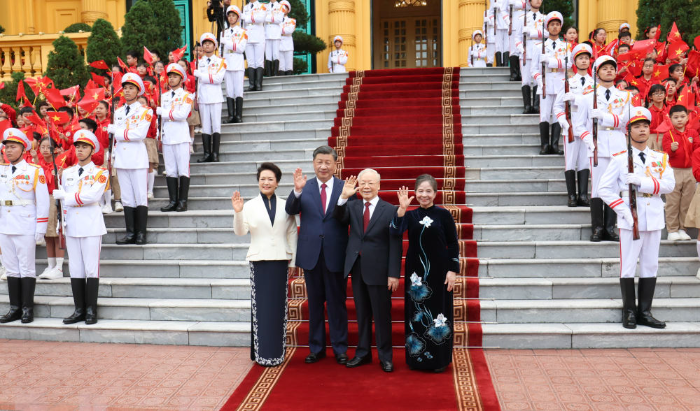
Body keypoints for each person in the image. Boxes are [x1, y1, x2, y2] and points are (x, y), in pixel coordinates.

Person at [598, 107, 673, 329]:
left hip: (654, 215)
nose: (642, 130)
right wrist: (623, 211)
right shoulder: (620, 159)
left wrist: (642, 181)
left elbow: (669, 184)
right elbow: (604, 189)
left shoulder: (659, 158)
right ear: (628, 132)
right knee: (628, 265)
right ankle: (629, 312)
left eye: (645, 126)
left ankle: (645, 312)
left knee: (650, 265)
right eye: (636, 127)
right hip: (631, 217)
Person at [286, 146, 351, 365]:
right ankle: (316, 348)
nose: (323, 166)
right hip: (311, 253)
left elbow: (347, 218)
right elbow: (290, 210)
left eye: (327, 162)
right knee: (314, 303)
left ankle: (340, 348)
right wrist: (296, 191)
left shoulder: (345, 187)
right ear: (314, 163)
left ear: (335, 164)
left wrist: (343, 199)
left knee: (337, 303)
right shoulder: (305, 186)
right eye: (319, 162)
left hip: (336, 253)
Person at [333, 169, 402, 373]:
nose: (366, 186)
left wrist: (393, 273)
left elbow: (395, 243)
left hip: (380, 271)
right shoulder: (352, 206)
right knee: (362, 315)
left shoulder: (390, 210)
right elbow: (338, 218)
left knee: (382, 316)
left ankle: (385, 357)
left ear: (379, 185)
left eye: (370, 183)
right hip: (357, 267)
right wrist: (343, 197)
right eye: (362, 183)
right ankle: (362, 353)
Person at [232, 162, 297, 367]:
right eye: (262, 179)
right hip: (259, 261)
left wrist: (293, 260)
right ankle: (261, 354)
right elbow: (240, 232)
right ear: (258, 182)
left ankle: (277, 354)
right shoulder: (249, 205)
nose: (266, 182)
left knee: (278, 308)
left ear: (277, 182)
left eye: (270, 179)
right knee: (261, 308)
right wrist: (238, 212)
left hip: (279, 261)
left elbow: (292, 232)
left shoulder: (286, 204)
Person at [391, 175, 458, 373]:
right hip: (416, 277)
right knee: (416, 315)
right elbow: (395, 232)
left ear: (435, 193)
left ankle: (439, 360)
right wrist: (402, 209)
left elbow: (453, 244)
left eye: (428, 191)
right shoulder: (410, 216)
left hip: (440, 273)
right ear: (415, 193)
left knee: (439, 315)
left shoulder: (443, 215)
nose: (424, 195)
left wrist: (453, 270)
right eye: (420, 191)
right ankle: (417, 360)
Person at [51, 130, 108, 325]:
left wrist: (65, 197)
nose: (81, 150)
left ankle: (91, 310)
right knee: (75, 268)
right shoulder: (66, 173)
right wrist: (62, 219)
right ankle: (79, 309)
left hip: (91, 225)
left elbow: (92, 197)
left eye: (85, 147)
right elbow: (64, 204)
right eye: (78, 147)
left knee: (91, 269)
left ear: (92, 150)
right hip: (72, 225)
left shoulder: (100, 173)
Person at [574, 55, 632, 242]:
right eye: (604, 68)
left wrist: (605, 117)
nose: (609, 71)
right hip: (597, 145)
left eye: (612, 68)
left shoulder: (625, 96)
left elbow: (626, 122)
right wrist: (588, 140)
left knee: (614, 186)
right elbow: (579, 125)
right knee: (598, 188)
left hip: (617, 144)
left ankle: (610, 228)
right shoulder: (587, 97)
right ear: (597, 72)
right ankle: (598, 228)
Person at [0, 128, 49, 323]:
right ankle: (15, 308)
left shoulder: (34, 171)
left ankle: (28, 308)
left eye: (13, 147)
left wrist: (41, 228)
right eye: (6, 147)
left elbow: (43, 202)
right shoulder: (1, 170)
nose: (9, 151)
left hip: (26, 223)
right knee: (11, 268)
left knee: (27, 268)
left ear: (23, 149)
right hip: (5, 224)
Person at [107, 73, 152, 246]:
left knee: (140, 195)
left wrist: (117, 132)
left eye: (131, 88)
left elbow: (139, 134)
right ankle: (130, 233)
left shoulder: (145, 111)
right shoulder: (118, 112)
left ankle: (141, 233)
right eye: (125, 88)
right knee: (127, 197)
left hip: (137, 156)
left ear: (138, 91)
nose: (127, 91)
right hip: (122, 158)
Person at [557, 43, 593, 207]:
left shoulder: (595, 84)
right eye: (581, 58)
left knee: (585, 162)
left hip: (587, 129)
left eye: (586, 58)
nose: (584, 61)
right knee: (570, 162)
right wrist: (563, 121)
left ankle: (583, 195)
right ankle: (572, 196)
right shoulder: (568, 82)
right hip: (570, 128)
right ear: (575, 62)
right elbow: (557, 106)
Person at [532, 11, 571, 155]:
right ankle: (544, 145)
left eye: (557, 24)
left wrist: (551, 61)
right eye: (552, 25)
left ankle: (555, 145)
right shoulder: (538, 46)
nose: (554, 27)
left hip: (560, 83)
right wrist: (539, 81)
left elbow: (569, 64)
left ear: (561, 27)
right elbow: (534, 69)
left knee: (557, 114)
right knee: (544, 115)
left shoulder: (566, 46)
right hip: (545, 83)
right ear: (547, 27)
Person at [157, 63, 193, 213]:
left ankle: (183, 201)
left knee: (183, 170)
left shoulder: (187, 96)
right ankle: (173, 201)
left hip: (181, 135)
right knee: (170, 170)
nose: (171, 79)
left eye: (175, 77)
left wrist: (163, 112)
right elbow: (163, 119)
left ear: (181, 78)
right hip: (167, 136)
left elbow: (182, 115)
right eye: (170, 77)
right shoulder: (163, 96)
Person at [662, 105, 699, 241]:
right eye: (676, 117)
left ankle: (683, 229)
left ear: (687, 117)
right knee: (672, 201)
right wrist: (671, 149)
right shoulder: (668, 135)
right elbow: (664, 153)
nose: (679, 120)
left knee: (686, 202)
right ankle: (672, 229)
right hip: (673, 171)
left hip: (689, 171)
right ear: (670, 119)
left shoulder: (693, 133)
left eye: (682, 117)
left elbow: (697, 148)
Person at [32, 137, 64, 280]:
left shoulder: (59, 164)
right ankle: (50, 264)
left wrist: (60, 175)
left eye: (48, 147)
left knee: (56, 234)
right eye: (42, 147)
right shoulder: (38, 166)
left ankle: (59, 266)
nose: (45, 150)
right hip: (42, 200)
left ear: (55, 149)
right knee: (47, 234)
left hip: (54, 198)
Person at [194, 32, 227, 163]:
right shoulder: (199, 62)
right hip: (203, 97)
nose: (207, 46)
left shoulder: (220, 61)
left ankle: (215, 153)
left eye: (210, 43)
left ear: (215, 46)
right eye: (205, 44)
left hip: (215, 96)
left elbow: (218, 79)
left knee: (216, 126)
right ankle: (207, 153)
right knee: (206, 126)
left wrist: (202, 76)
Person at [514, 0, 545, 114]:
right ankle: (527, 106)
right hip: (526, 52)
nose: (538, 1)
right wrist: (522, 50)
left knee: (538, 80)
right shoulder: (522, 18)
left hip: (539, 51)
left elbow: (547, 33)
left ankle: (536, 106)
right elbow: (517, 38)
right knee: (526, 80)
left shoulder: (544, 18)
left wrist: (532, 32)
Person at [221, 5, 248, 124]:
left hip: (237, 62)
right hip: (227, 62)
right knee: (229, 90)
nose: (231, 18)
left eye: (234, 16)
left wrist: (227, 42)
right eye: (229, 16)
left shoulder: (243, 32)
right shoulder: (224, 32)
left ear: (237, 18)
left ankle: (239, 115)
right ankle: (231, 115)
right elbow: (222, 51)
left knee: (238, 90)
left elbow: (241, 48)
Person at [243, 0, 267, 91]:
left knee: (259, 61)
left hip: (258, 36)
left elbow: (260, 19)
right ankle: (251, 85)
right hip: (248, 36)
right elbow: (243, 22)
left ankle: (258, 84)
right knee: (250, 61)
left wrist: (247, 17)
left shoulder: (262, 6)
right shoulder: (245, 7)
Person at [264, 0, 283, 76]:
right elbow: (263, 18)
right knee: (268, 54)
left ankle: (275, 73)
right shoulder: (265, 6)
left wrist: (268, 18)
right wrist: (273, 18)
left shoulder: (281, 6)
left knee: (275, 54)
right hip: (267, 32)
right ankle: (268, 73)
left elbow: (279, 19)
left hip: (275, 32)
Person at [488, 0, 509, 67]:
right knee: (498, 45)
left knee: (507, 45)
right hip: (498, 24)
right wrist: (493, 21)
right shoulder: (493, 1)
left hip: (507, 23)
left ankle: (505, 64)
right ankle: (499, 64)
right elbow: (490, 13)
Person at [279, 1, 296, 76]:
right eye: (281, 7)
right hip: (279, 44)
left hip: (288, 44)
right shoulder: (277, 21)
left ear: (288, 10)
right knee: (281, 66)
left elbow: (290, 30)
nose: (283, 9)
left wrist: (280, 31)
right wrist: (283, 30)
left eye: (285, 8)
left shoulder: (291, 21)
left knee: (289, 65)